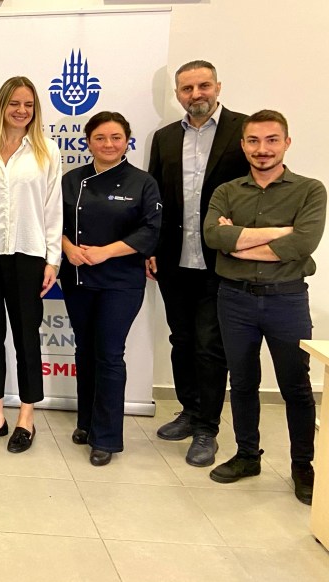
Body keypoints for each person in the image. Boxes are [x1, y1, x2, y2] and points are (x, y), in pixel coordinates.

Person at [203, 109, 325, 505]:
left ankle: (303, 465)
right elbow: (214, 238)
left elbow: (302, 244)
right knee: (241, 382)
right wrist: (278, 234)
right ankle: (247, 455)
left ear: (286, 143)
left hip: (286, 299)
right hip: (234, 298)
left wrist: (238, 241)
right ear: (243, 145)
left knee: (296, 386)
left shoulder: (310, 190)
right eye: (253, 141)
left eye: (272, 140)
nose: (262, 149)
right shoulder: (226, 191)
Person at [147, 60, 249, 467]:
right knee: (182, 339)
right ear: (177, 94)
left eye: (203, 86)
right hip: (174, 260)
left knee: (209, 345)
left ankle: (208, 427)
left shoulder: (243, 131)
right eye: (187, 89)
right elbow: (155, 197)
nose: (196, 95)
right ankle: (189, 410)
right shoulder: (165, 137)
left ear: (218, 86)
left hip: (221, 260)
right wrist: (151, 247)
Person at [0, 76, 62, 454]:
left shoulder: (47, 151)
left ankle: (26, 417)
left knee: (26, 339)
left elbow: (53, 209)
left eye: (29, 105)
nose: (21, 111)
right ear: (2, 106)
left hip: (28, 255)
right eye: (14, 103)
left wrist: (52, 259)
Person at [59, 112, 161, 467]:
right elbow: (51, 222)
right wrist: (67, 248)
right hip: (78, 277)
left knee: (109, 354)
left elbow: (150, 231)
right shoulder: (72, 180)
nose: (108, 144)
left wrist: (106, 252)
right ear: (88, 142)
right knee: (85, 350)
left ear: (127, 141)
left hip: (121, 281)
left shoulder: (142, 182)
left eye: (116, 137)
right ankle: (86, 422)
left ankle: (106, 437)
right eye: (100, 138)